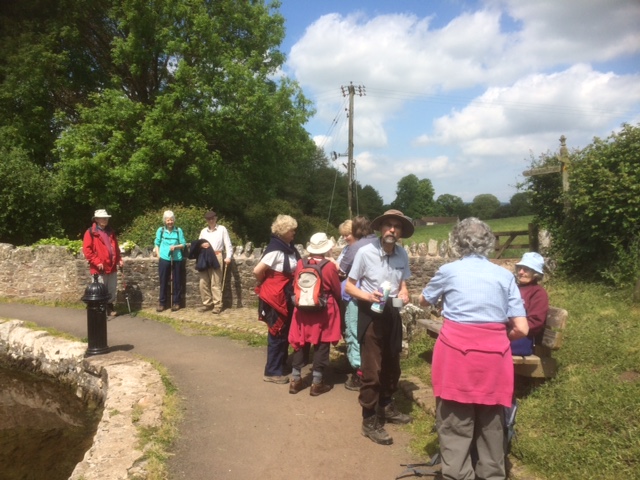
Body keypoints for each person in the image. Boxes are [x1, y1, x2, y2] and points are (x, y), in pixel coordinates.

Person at [419, 217, 529, 480]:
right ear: (489, 243)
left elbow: (424, 300)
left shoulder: (448, 271)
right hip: (494, 358)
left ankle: (457, 475)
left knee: (455, 423)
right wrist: (498, 339)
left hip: (456, 355)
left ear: (456, 243)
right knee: (491, 423)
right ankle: (492, 474)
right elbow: (522, 329)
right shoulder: (504, 275)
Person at [345, 209, 413, 445]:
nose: (392, 229)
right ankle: (369, 419)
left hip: (392, 314)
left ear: (401, 232)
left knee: (392, 365)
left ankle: (386, 405)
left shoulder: (402, 253)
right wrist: (368, 296)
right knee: (372, 370)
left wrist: (404, 292)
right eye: (388, 225)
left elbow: (403, 283)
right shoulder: (365, 252)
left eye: (397, 226)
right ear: (381, 228)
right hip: (370, 314)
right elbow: (349, 287)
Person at [288, 232, 343, 396]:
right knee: (322, 343)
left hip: (303, 308)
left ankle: (295, 380)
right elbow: (336, 290)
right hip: (324, 309)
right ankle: (317, 383)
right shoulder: (329, 266)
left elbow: (295, 284)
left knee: (300, 342)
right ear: (325, 248)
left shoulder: (300, 263)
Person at [253, 215, 300, 384]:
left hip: (285, 294)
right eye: (291, 229)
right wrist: (266, 283)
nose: (294, 232)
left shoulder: (288, 247)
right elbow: (257, 270)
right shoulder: (275, 250)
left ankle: (280, 364)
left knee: (284, 332)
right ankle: (272, 371)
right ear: (283, 231)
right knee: (276, 333)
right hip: (275, 296)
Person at [339, 216, 378, 391]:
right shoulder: (378, 243)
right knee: (369, 335)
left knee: (354, 332)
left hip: (356, 297)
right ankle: (370, 369)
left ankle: (359, 373)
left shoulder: (357, 247)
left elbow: (341, 271)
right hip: (375, 297)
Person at [82, 209, 123, 317]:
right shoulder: (90, 232)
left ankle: (109, 308)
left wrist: (119, 259)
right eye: (103, 218)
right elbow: (87, 250)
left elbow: (115, 248)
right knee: (101, 289)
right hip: (99, 268)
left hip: (112, 266)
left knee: (111, 288)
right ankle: (100, 310)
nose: (105, 220)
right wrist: (97, 262)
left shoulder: (110, 232)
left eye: (106, 218)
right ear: (96, 220)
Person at [511, 252, 549, 356]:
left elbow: (535, 322)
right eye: (520, 268)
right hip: (508, 333)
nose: (521, 272)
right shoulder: (514, 289)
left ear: (535, 273)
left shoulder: (538, 293)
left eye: (526, 269)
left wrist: (513, 330)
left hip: (523, 339)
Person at [197, 211, 233, 314]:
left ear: (216, 218)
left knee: (216, 282)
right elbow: (199, 244)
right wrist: (202, 245)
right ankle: (207, 304)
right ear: (206, 220)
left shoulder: (222, 229)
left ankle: (217, 305)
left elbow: (228, 244)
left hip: (217, 255)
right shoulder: (203, 231)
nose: (211, 220)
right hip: (205, 256)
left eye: (212, 218)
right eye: (209, 219)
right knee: (203, 282)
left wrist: (228, 257)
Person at [153, 210, 186, 312]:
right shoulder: (161, 230)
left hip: (177, 258)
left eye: (171, 220)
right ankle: (162, 303)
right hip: (164, 258)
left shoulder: (178, 230)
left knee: (177, 281)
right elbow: (156, 243)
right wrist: (158, 255)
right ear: (165, 221)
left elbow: (183, 244)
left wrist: (175, 247)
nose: (170, 222)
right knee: (163, 281)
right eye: (168, 220)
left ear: (174, 220)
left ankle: (176, 303)